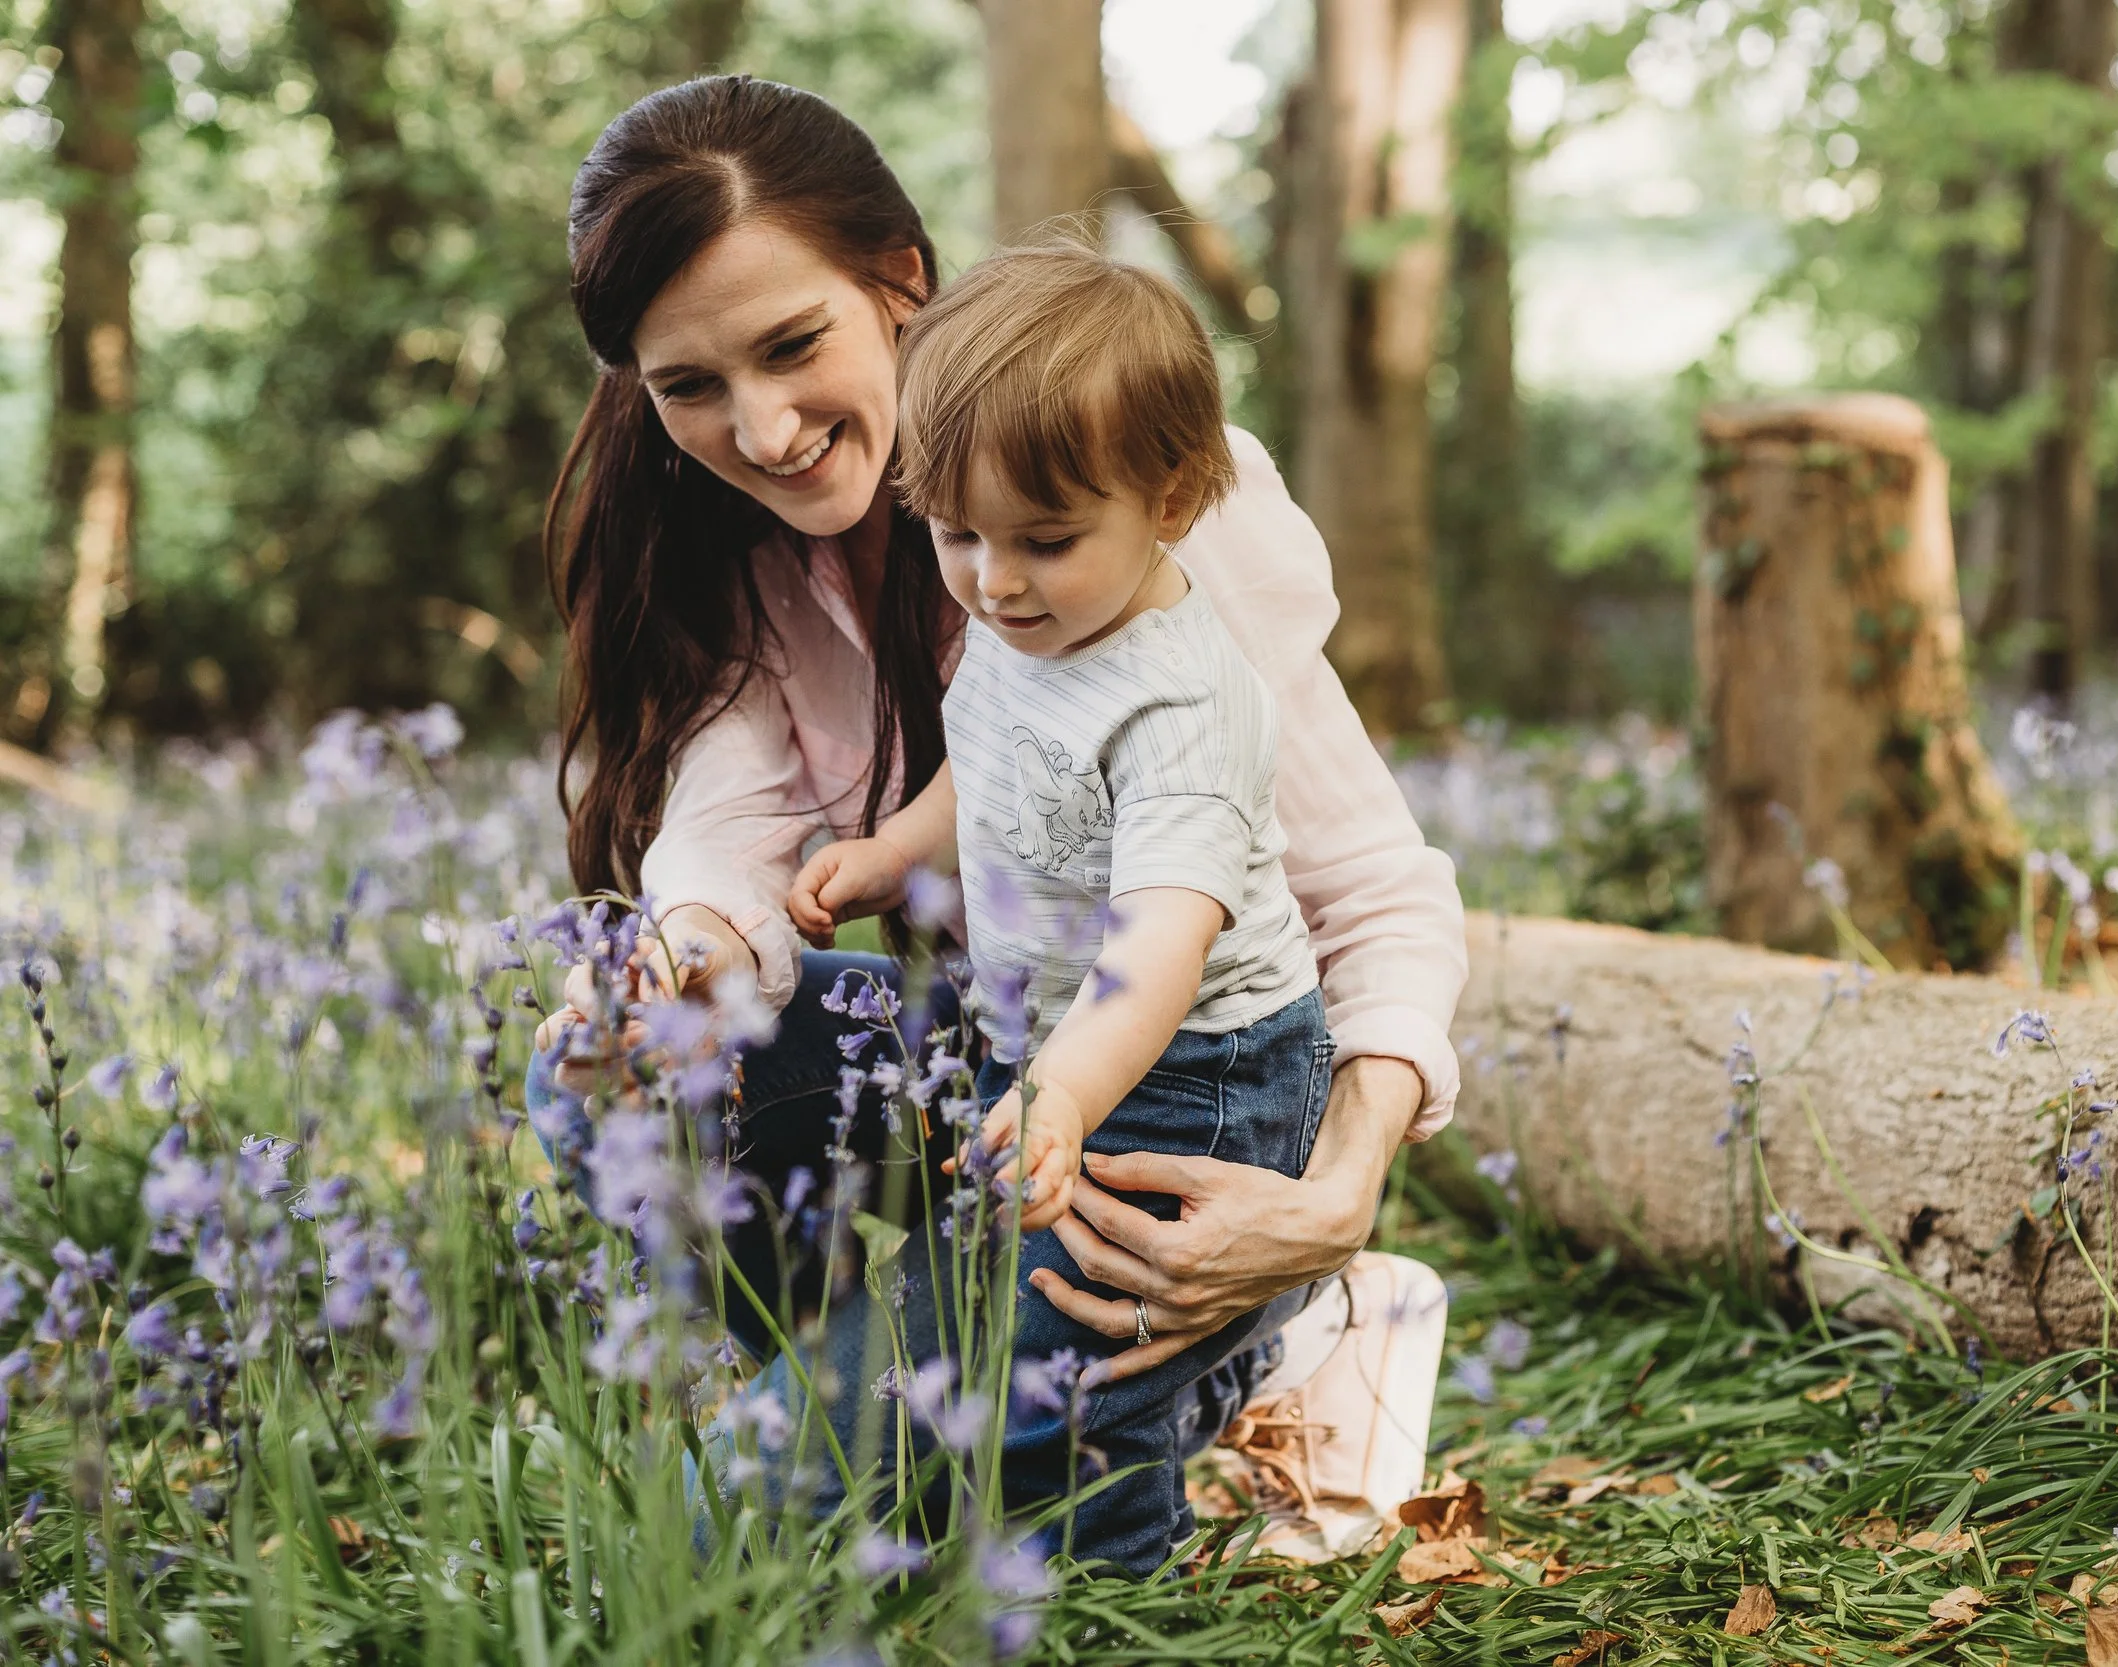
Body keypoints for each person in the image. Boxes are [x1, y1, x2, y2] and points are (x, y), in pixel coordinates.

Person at [526, 74, 1464, 1561]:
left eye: (791, 346)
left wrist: (1336, 1192)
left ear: (899, 278)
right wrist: (690, 952)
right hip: (1011, 1066)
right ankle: (945, 1374)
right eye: (689, 385)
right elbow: (730, 825)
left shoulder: (1152, 514)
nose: (761, 430)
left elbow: (1369, 888)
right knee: (599, 1080)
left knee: (719, 1532)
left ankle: (1275, 1333)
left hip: (1166, 1088)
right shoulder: (720, 551)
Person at [780, 244, 1334, 1569]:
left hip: (1194, 1073)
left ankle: (1116, 1562)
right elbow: (994, 759)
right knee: (1010, 1308)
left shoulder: (1182, 708)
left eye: (1045, 540)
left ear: (1176, 497)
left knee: (1082, 1350)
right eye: (958, 534)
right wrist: (893, 852)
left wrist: (1069, 1095)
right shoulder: (1030, 631)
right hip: (1048, 1043)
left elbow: (1159, 944)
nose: (995, 579)